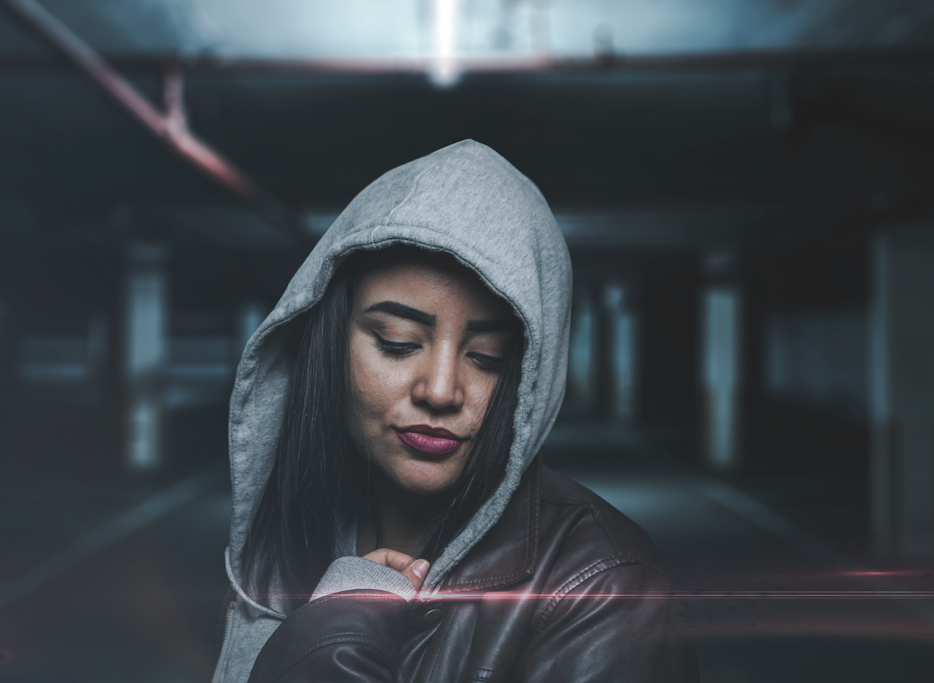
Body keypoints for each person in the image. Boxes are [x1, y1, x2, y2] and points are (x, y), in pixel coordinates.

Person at [211, 140, 698, 682]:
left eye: (486, 358)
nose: (441, 391)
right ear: (328, 345)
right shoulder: (292, 531)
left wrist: (331, 638)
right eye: (397, 342)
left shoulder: (601, 584)